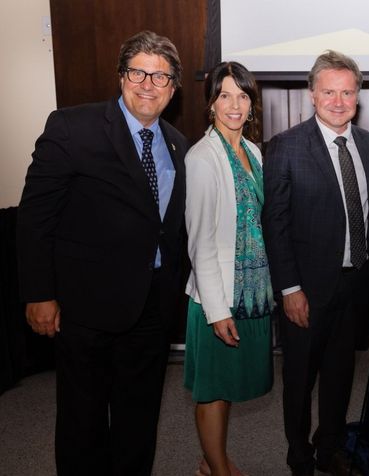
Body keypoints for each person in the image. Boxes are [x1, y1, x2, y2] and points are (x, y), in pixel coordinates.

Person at [16, 31, 187, 476]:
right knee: (82, 421)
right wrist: (39, 293)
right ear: (121, 76)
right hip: (84, 309)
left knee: (139, 418)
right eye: (138, 72)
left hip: (151, 309)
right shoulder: (73, 127)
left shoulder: (176, 144)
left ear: (173, 88)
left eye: (161, 76)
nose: (148, 84)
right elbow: (35, 217)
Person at [262, 50, 369, 476]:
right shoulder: (285, 147)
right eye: (329, 91)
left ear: (357, 96)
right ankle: (298, 456)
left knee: (339, 374)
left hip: (354, 286)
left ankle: (328, 446)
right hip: (306, 292)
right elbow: (273, 224)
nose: (338, 100)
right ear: (312, 94)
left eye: (347, 92)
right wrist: (290, 289)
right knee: (300, 380)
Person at [183, 61, 274, 476]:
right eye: (224, 95)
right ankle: (216, 468)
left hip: (252, 290)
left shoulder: (253, 152)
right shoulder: (202, 157)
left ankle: (212, 459)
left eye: (242, 96)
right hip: (216, 297)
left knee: (232, 386)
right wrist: (217, 311)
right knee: (214, 390)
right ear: (211, 104)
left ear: (252, 105)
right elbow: (200, 241)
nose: (234, 105)